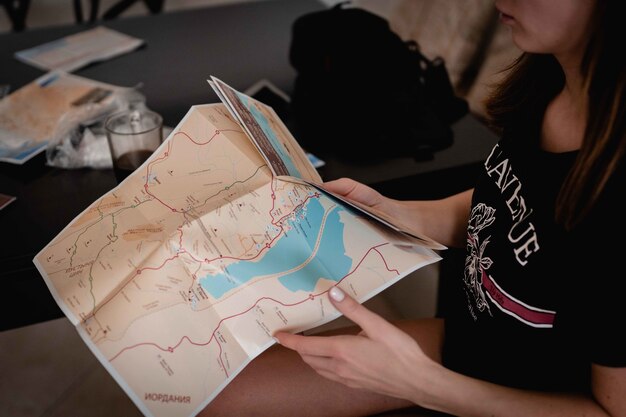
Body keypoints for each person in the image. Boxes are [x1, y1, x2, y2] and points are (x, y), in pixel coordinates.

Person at [201, 1, 626, 415]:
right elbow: (506, 208)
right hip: (466, 345)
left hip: (510, 393)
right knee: (211, 394)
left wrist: (422, 385)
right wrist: (398, 214)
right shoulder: (550, 82)